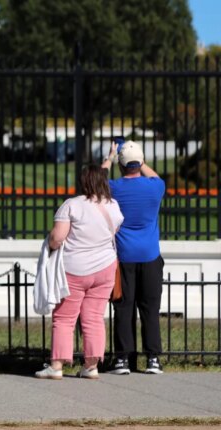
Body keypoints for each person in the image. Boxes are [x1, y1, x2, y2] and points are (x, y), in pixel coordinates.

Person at [34, 165, 124, 380]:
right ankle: (91, 366)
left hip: (75, 269)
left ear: (84, 181)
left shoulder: (71, 205)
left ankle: (56, 366)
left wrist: (49, 243)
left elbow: (57, 238)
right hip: (105, 268)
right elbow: (115, 230)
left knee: (64, 317)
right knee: (94, 317)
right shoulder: (113, 205)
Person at [101, 140, 166, 375]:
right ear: (140, 162)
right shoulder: (155, 187)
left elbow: (97, 181)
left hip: (124, 257)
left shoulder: (114, 188)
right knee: (150, 308)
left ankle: (122, 359)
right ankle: (153, 358)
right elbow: (156, 177)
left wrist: (109, 157)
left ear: (121, 165)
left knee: (124, 307)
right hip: (150, 255)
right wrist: (142, 161)